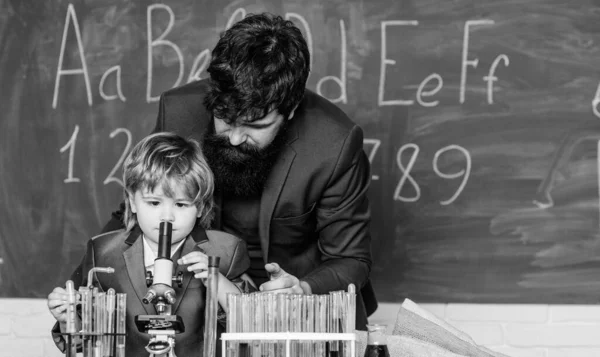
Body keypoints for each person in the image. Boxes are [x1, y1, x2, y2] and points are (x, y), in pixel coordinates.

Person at [103, 12, 377, 329]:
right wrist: (85, 284)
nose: (234, 138)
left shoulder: (335, 142)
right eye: (225, 119)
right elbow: (135, 209)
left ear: (289, 110)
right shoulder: (177, 112)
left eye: (255, 126)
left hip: (298, 309)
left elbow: (351, 259)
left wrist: (301, 289)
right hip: (201, 299)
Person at [47, 132, 255, 357]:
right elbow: (82, 344)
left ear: (202, 207)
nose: (167, 216)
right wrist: (69, 319)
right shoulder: (103, 252)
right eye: (154, 202)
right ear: (132, 201)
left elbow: (252, 325)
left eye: (181, 205)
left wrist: (216, 279)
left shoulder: (226, 251)